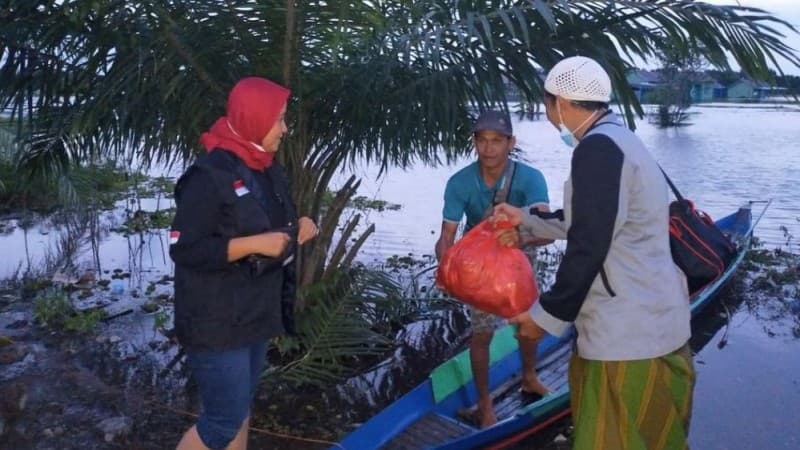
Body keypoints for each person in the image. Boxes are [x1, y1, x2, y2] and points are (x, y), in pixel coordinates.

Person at [493, 56, 694, 449]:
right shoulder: (620, 138)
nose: (551, 118)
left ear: (562, 103)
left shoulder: (597, 149)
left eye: (549, 107)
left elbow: (588, 245)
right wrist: (527, 221)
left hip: (625, 336)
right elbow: (593, 218)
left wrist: (545, 316)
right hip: (658, 319)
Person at [169, 77, 318, 450]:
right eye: (280, 119)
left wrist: (297, 226)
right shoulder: (209, 175)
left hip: (254, 311)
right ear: (254, 118)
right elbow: (185, 249)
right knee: (222, 422)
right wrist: (255, 243)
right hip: (215, 320)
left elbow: (268, 224)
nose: (286, 128)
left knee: (240, 411)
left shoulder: (267, 169)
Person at [435, 110, 552, 428]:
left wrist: (520, 236)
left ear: (510, 143)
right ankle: (485, 406)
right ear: (474, 143)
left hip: (519, 257)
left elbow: (545, 226)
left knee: (527, 325)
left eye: (497, 141)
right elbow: (447, 236)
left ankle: (530, 376)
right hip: (479, 266)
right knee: (482, 334)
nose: (489, 149)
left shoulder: (530, 179)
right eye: (482, 141)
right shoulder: (459, 182)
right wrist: (445, 270)